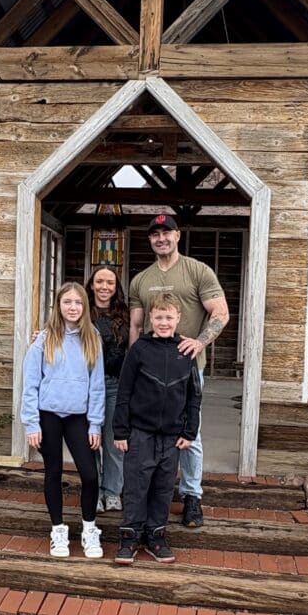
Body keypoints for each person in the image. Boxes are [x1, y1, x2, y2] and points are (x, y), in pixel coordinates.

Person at [128, 214, 229, 529]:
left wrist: (199, 343)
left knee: (190, 433)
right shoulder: (140, 280)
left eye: (166, 232)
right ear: (150, 239)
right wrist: (134, 361)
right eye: (155, 234)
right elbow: (135, 324)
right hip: (150, 372)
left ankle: (192, 495)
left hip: (187, 370)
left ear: (178, 235)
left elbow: (220, 313)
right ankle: (150, 492)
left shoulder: (198, 271)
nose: (161, 238)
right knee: (148, 432)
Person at [113, 293, 201, 564]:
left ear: (178, 319)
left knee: (163, 487)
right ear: (150, 318)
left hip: (172, 437)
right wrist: (120, 431)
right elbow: (124, 391)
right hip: (140, 433)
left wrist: (189, 431)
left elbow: (194, 396)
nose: (164, 322)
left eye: (169, 317)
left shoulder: (186, 351)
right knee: (136, 486)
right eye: (159, 317)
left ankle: (156, 535)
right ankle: (130, 536)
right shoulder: (139, 349)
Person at [20, 282, 105, 559]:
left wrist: (95, 423)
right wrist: (31, 422)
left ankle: (89, 528)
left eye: (78, 302)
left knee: (90, 475)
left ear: (84, 307)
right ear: (58, 305)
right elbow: (30, 383)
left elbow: (97, 385)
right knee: (53, 471)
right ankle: (58, 530)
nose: (72, 307)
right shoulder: (44, 339)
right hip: (49, 416)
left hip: (78, 417)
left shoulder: (92, 337)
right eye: (67, 302)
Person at [84, 266, 129, 513]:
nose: (104, 287)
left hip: (114, 383)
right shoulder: (81, 311)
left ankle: (112, 491)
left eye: (109, 283)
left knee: (112, 441)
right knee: (90, 441)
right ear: (91, 284)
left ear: (116, 287)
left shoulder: (125, 313)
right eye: (99, 281)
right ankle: (94, 490)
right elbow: (59, 330)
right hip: (86, 386)